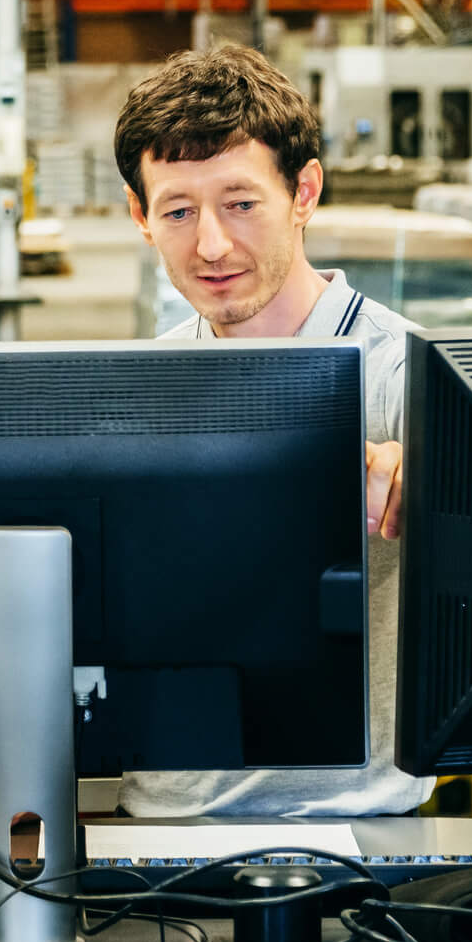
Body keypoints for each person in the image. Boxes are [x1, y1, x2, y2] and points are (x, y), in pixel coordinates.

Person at [112, 44, 431, 818]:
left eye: (240, 203)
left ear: (304, 192)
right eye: (178, 211)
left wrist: (442, 480)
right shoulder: (129, 393)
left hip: (358, 833)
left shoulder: (407, 379)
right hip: (157, 825)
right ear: (139, 217)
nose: (211, 245)